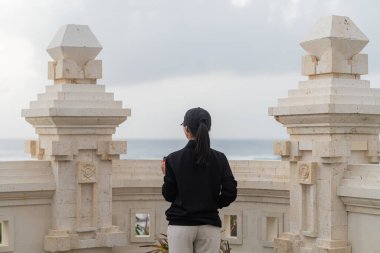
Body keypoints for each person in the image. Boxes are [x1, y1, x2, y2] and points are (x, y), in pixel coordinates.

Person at [162, 107, 237, 253]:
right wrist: (213, 203)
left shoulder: (173, 159)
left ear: (186, 129)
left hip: (180, 226)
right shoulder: (220, 158)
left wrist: (165, 174)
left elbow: (168, 195)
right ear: (208, 129)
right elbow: (230, 192)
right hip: (209, 225)